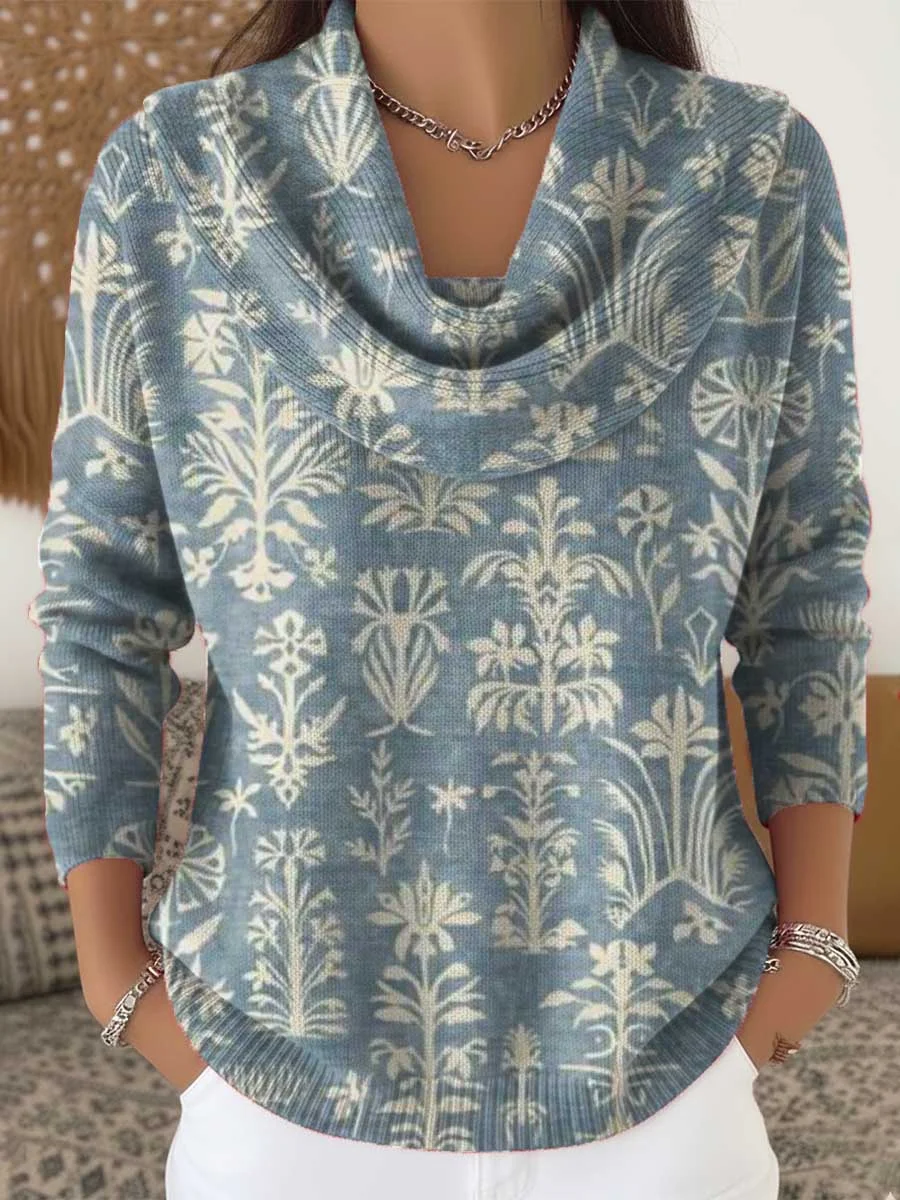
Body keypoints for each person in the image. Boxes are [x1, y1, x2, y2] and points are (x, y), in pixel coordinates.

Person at [27, 0, 872, 1197]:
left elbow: (805, 578)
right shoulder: (180, 174)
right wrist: (119, 980)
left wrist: (813, 953)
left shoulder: (751, 170)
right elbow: (102, 604)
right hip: (275, 1078)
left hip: (669, 1068)